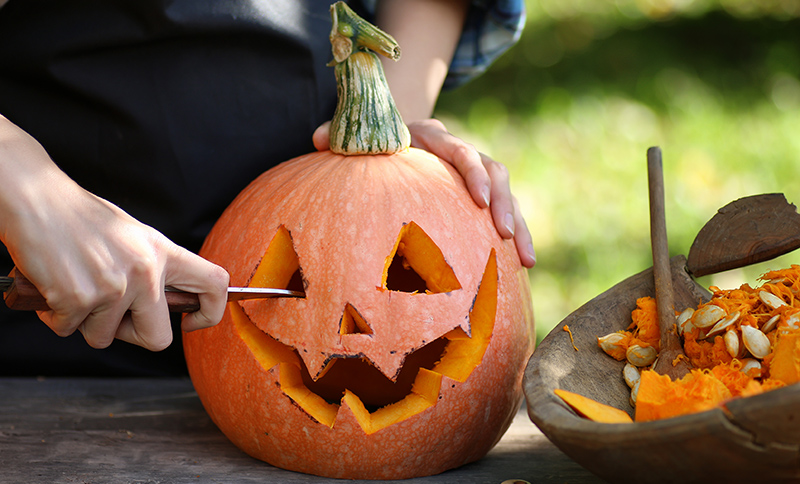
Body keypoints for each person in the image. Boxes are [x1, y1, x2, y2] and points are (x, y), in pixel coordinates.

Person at [0, 0, 534, 376]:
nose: (355, 323)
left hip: (290, 190)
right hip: (37, 336)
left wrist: (389, 121)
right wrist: (31, 190)